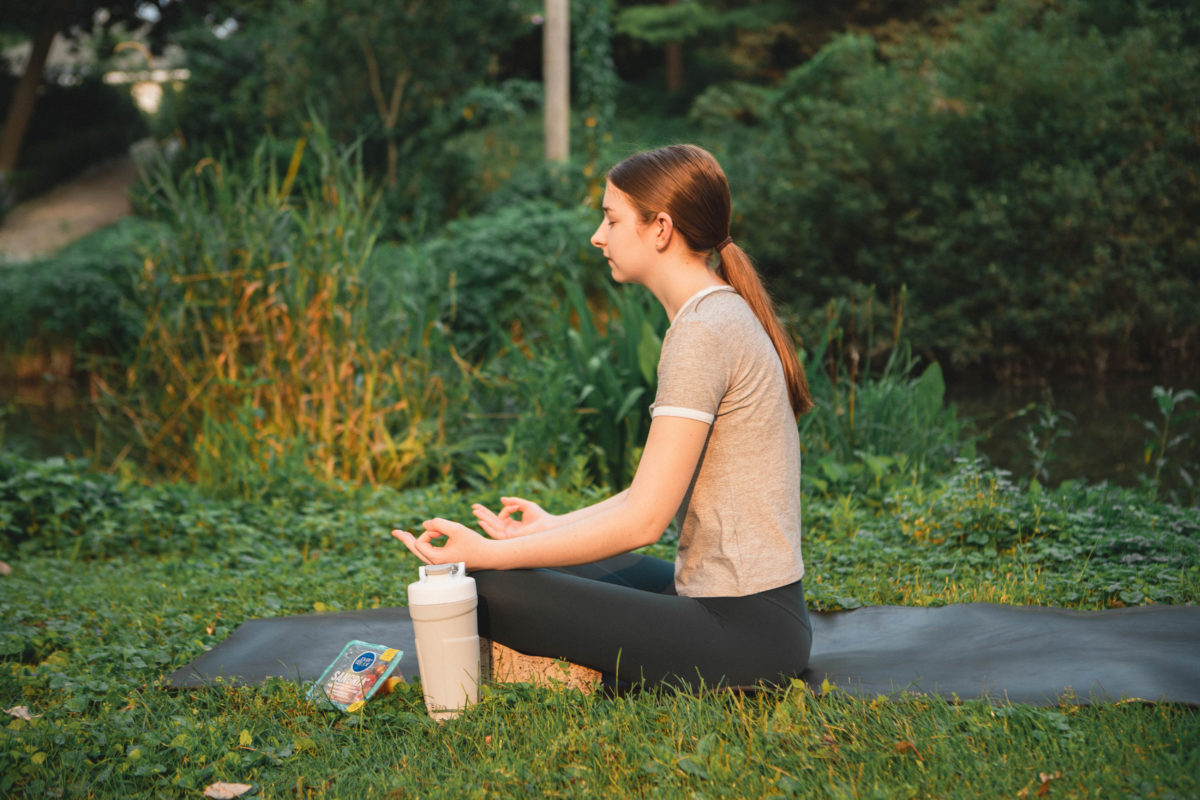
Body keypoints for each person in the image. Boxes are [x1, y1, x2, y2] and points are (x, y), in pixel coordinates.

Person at [393, 143, 814, 689]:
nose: (598, 235)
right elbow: (649, 495)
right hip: (754, 616)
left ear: (660, 229)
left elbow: (643, 522)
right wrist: (547, 529)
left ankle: (555, 666)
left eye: (612, 219)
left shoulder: (703, 333)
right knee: (531, 562)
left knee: (485, 582)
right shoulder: (718, 312)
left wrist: (494, 553)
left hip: (746, 637)